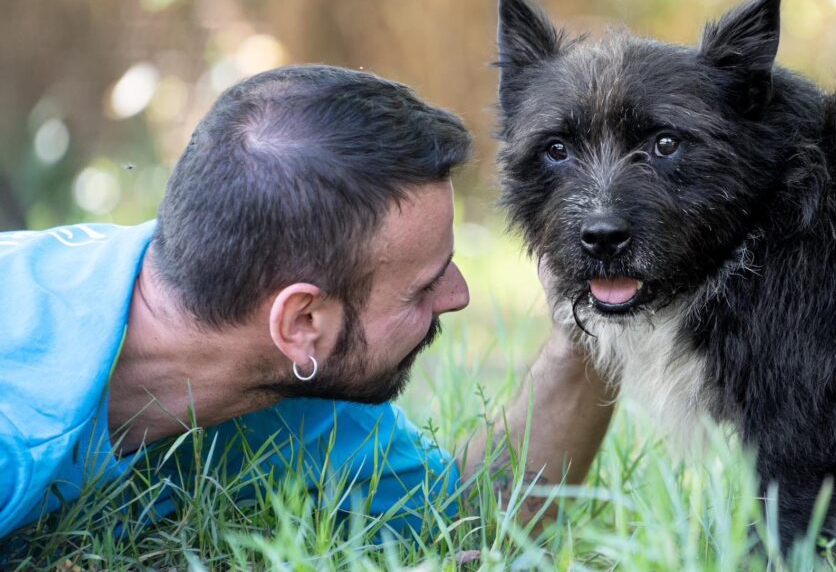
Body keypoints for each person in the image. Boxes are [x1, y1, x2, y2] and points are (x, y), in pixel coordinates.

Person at [0, 64, 616, 540]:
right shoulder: (20, 424)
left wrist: (583, 333)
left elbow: (473, 518)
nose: (459, 296)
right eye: (425, 285)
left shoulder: (293, 393)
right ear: (301, 322)